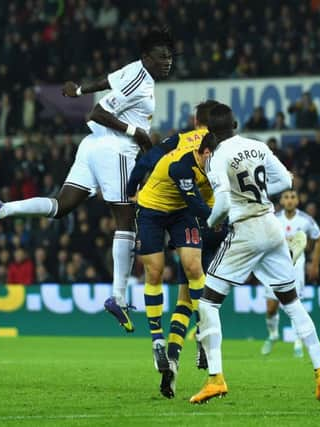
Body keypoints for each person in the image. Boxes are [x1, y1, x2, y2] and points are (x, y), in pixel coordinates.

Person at [0, 28, 175, 332]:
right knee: (125, 218)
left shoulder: (134, 70)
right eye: (162, 57)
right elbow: (98, 112)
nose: (167, 62)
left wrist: (79, 90)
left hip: (91, 147)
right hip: (115, 149)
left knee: (61, 206)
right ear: (147, 58)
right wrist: (138, 134)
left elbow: (106, 80)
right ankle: (118, 297)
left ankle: (2, 209)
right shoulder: (140, 81)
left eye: (170, 57)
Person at [189, 104, 320, 404]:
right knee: (293, 303)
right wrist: (259, 195)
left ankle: (215, 378)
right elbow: (286, 181)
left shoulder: (217, 158)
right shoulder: (256, 146)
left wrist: (210, 223)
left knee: (207, 303)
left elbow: (225, 204)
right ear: (235, 123)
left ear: (209, 131)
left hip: (245, 229)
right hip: (272, 226)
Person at [127, 100, 223, 399]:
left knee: (189, 275)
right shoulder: (193, 152)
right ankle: (160, 343)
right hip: (162, 210)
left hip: (193, 216)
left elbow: (148, 158)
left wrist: (132, 185)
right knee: (159, 274)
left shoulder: (209, 149)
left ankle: (196, 341)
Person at [261, 189, 320, 358]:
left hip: (296, 267)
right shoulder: (274, 219)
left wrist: (315, 264)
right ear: (281, 201)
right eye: (286, 197)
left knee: (294, 303)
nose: (289, 200)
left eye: (293, 197)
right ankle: (273, 334)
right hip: (274, 266)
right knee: (270, 307)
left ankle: (298, 342)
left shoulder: (305, 220)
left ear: (297, 201)